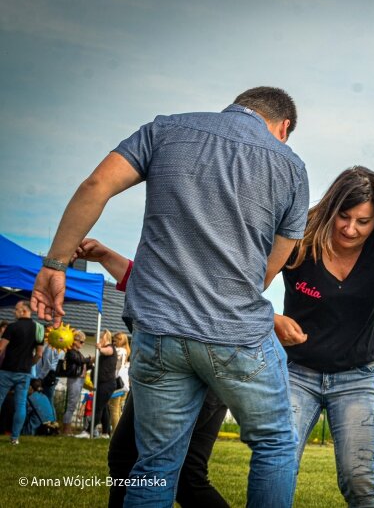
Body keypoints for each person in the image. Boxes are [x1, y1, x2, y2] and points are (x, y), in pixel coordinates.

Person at [30, 86, 309, 507]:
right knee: (274, 444)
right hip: (236, 334)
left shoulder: (167, 129)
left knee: (155, 466)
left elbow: (95, 184)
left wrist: (55, 264)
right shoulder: (290, 165)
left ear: (237, 105)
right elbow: (267, 271)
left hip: (158, 333)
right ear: (283, 127)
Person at [276, 165, 374, 507]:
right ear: (331, 209)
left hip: (356, 377)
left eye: (363, 221)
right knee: (279, 465)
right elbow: (249, 284)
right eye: (344, 217)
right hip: (296, 373)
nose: (351, 228)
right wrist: (273, 319)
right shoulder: (299, 240)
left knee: (359, 481)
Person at [75, 237, 228, 508]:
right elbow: (149, 280)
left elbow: (161, 285)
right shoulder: (194, 250)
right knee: (187, 474)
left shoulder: (196, 246)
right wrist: (107, 256)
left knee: (128, 459)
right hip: (212, 371)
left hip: (180, 373)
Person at [0, 301, 44, 444]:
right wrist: (28, 364)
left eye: (16, 309)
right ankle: (15, 438)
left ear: (24, 311)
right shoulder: (39, 329)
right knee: (20, 404)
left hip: (7, 370)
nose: (14, 312)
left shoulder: (12, 327)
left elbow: (1, 348)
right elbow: (39, 354)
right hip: (24, 373)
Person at [76, 329, 116, 438]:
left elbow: (107, 351)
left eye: (99, 339)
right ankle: (106, 433)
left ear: (104, 338)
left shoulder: (110, 348)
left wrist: (100, 348)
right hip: (103, 383)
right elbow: (93, 359)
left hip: (107, 383)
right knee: (103, 408)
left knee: (98, 407)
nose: (97, 341)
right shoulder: (102, 352)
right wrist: (87, 359)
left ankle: (88, 431)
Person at [61, 330, 89, 435]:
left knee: (73, 404)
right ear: (75, 340)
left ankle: (67, 429)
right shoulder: (71, 352)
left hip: (79, 379)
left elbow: (83, 363)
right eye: (81, 342)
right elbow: (80, 361)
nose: (83, 344)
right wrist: (90, 359)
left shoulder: (77, 352)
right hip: (74, 379)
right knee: (71, 404)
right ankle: (66, 429)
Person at [108, 331, 130, 433]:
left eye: (115, 340)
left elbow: (116, 366)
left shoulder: (119, 351)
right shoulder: (126, 351)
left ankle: (115, 433)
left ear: (121, 340)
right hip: (124, 385)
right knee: (118, 409)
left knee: (114, 409)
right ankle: (118, 432)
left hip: (118, 385)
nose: (113, 342)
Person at [36, 337, 63, 407]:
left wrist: (40, 377)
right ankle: (51, 417)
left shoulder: (52, 347)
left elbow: (47, 364)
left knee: (47, 400)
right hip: (54, 376)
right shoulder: (62, 348)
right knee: (49, 400)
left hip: (47, 376)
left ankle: (49, 417)